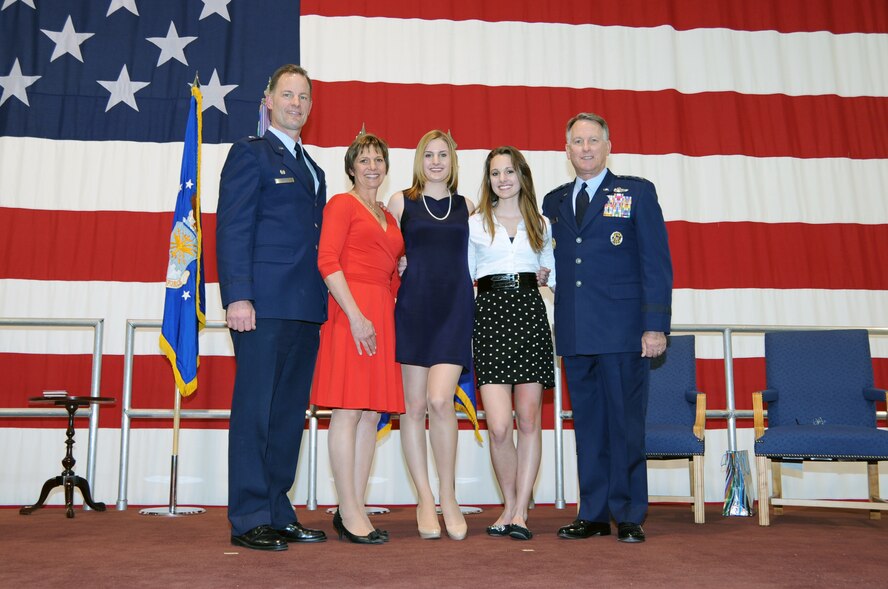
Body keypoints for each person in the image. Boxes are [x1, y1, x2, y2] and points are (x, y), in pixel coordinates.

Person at [541, 112, 673, 544]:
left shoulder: (635, 193)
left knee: (625, 425)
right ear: (567, 149)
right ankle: (593, 512)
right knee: (590, 427)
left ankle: (629, 513)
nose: (585, 148)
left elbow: (656, 263)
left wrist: (655, 326)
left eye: (593, 140)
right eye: (577, 141)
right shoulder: (555, 202)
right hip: (576, 333)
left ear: (608, 145)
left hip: (623, 332)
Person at [216, 64, 327, 551]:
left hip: (305, 308)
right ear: (268, 100)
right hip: (260, 307)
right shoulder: (250, 155)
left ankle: (278, 510)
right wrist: (238, 294)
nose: (296, 103)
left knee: (286, 416)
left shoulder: (316, 169)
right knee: (255, 413)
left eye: (304, 96)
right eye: (287, 94)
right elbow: (233, 228)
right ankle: (248, 516)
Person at [311, 132, 405, 545]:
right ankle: (348, 511)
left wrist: (400, 265)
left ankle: (356, 506)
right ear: (351, 167)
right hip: (351, 312)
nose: (372, 166)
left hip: (382, 314)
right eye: (363, 160)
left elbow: (392, 274)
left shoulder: (389, 214)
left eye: (378, 160)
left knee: (371, 414)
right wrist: (354, 315)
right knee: (347, 411)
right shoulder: (341, 204)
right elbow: (327, 260)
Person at [386, 130, 474, 540]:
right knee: (414, 407)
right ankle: (424, 498)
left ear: (453, 160)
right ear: (419, 160)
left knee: (442, 401)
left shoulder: (469, 207)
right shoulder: (400, 202)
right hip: (414, 311)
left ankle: (449, 496)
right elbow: (382, 254)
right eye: (429, 155)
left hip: (455, 310)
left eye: (443, 155)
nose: (436, 161)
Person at [468, 146, 555, 541]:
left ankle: (519, 510)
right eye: (495, 173)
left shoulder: (541, 223)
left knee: (530, 420)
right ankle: (509, 502)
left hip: (530, 318)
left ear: (522, 176)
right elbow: (459, 275)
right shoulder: (473, 224)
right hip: (489, 318)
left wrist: (546, 275)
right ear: (488, 180)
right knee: (500, 427)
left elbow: (551, 274)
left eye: (509, 171)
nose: (502, 179)